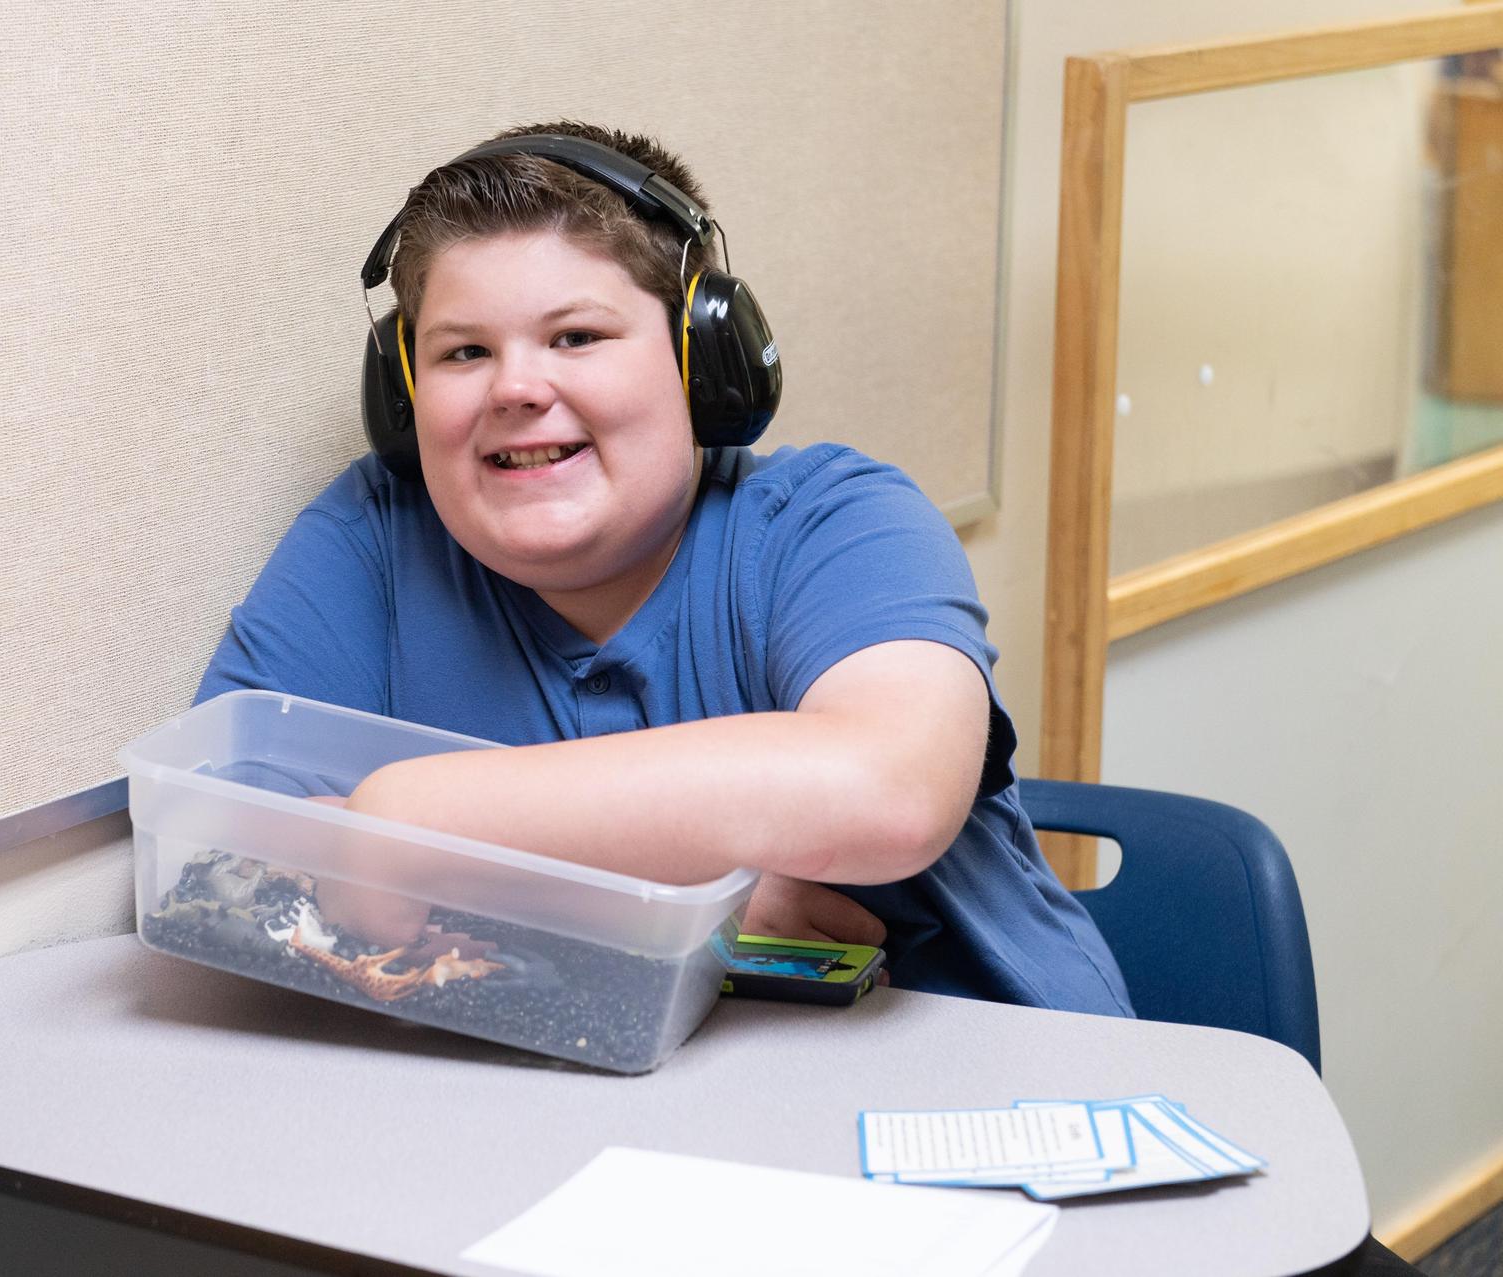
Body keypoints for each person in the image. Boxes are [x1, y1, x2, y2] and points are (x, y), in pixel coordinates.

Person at [195, 120, 1133, 1016]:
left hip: (983, 1099)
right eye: (464, 351)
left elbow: (887, 788)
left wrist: (404, 820)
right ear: (403, 396)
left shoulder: (837, 522)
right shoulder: (372, 540)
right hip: (579, 1125)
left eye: (577, 338)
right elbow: (219, 858)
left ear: (701, 361)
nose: (517, 387)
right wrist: (672, 898)